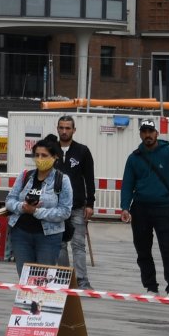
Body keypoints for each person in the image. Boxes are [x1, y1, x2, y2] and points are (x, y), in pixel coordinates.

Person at [119, 120, 169, 295]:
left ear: (157, 133)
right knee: (142, 250)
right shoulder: (134, 157)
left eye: (151, 131)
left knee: (168, 249)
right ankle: (150, 286)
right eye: (144, 131)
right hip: (140, 209)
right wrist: (125, 207)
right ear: (140, 134)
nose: (147, 134)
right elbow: (127, 184)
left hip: (164, 208)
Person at [3, 135, 73, 276]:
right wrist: (23, 206)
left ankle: (40, 299)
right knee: (24, 277)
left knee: (43, 277)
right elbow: (9, 200)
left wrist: (36, 211)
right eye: (37, 155)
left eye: (44, 155)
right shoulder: (25, 176)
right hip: (21, 233)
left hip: (48, 236)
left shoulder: (62, 180)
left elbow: (65, 211)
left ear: (55, 157)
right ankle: (27, 299)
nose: (40, 158)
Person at [53, 115, 97, 289]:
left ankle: (82, 280)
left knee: (78, 244)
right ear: (57, 128)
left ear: (74, 130)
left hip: (77, 206)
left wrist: (90, 203)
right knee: (60, 244)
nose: (64, 131)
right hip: (55, 207)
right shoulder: (51, 149)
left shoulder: (82, 151)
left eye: (67, 128)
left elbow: (89, 179)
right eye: (61, 128)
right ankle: (64, 279)